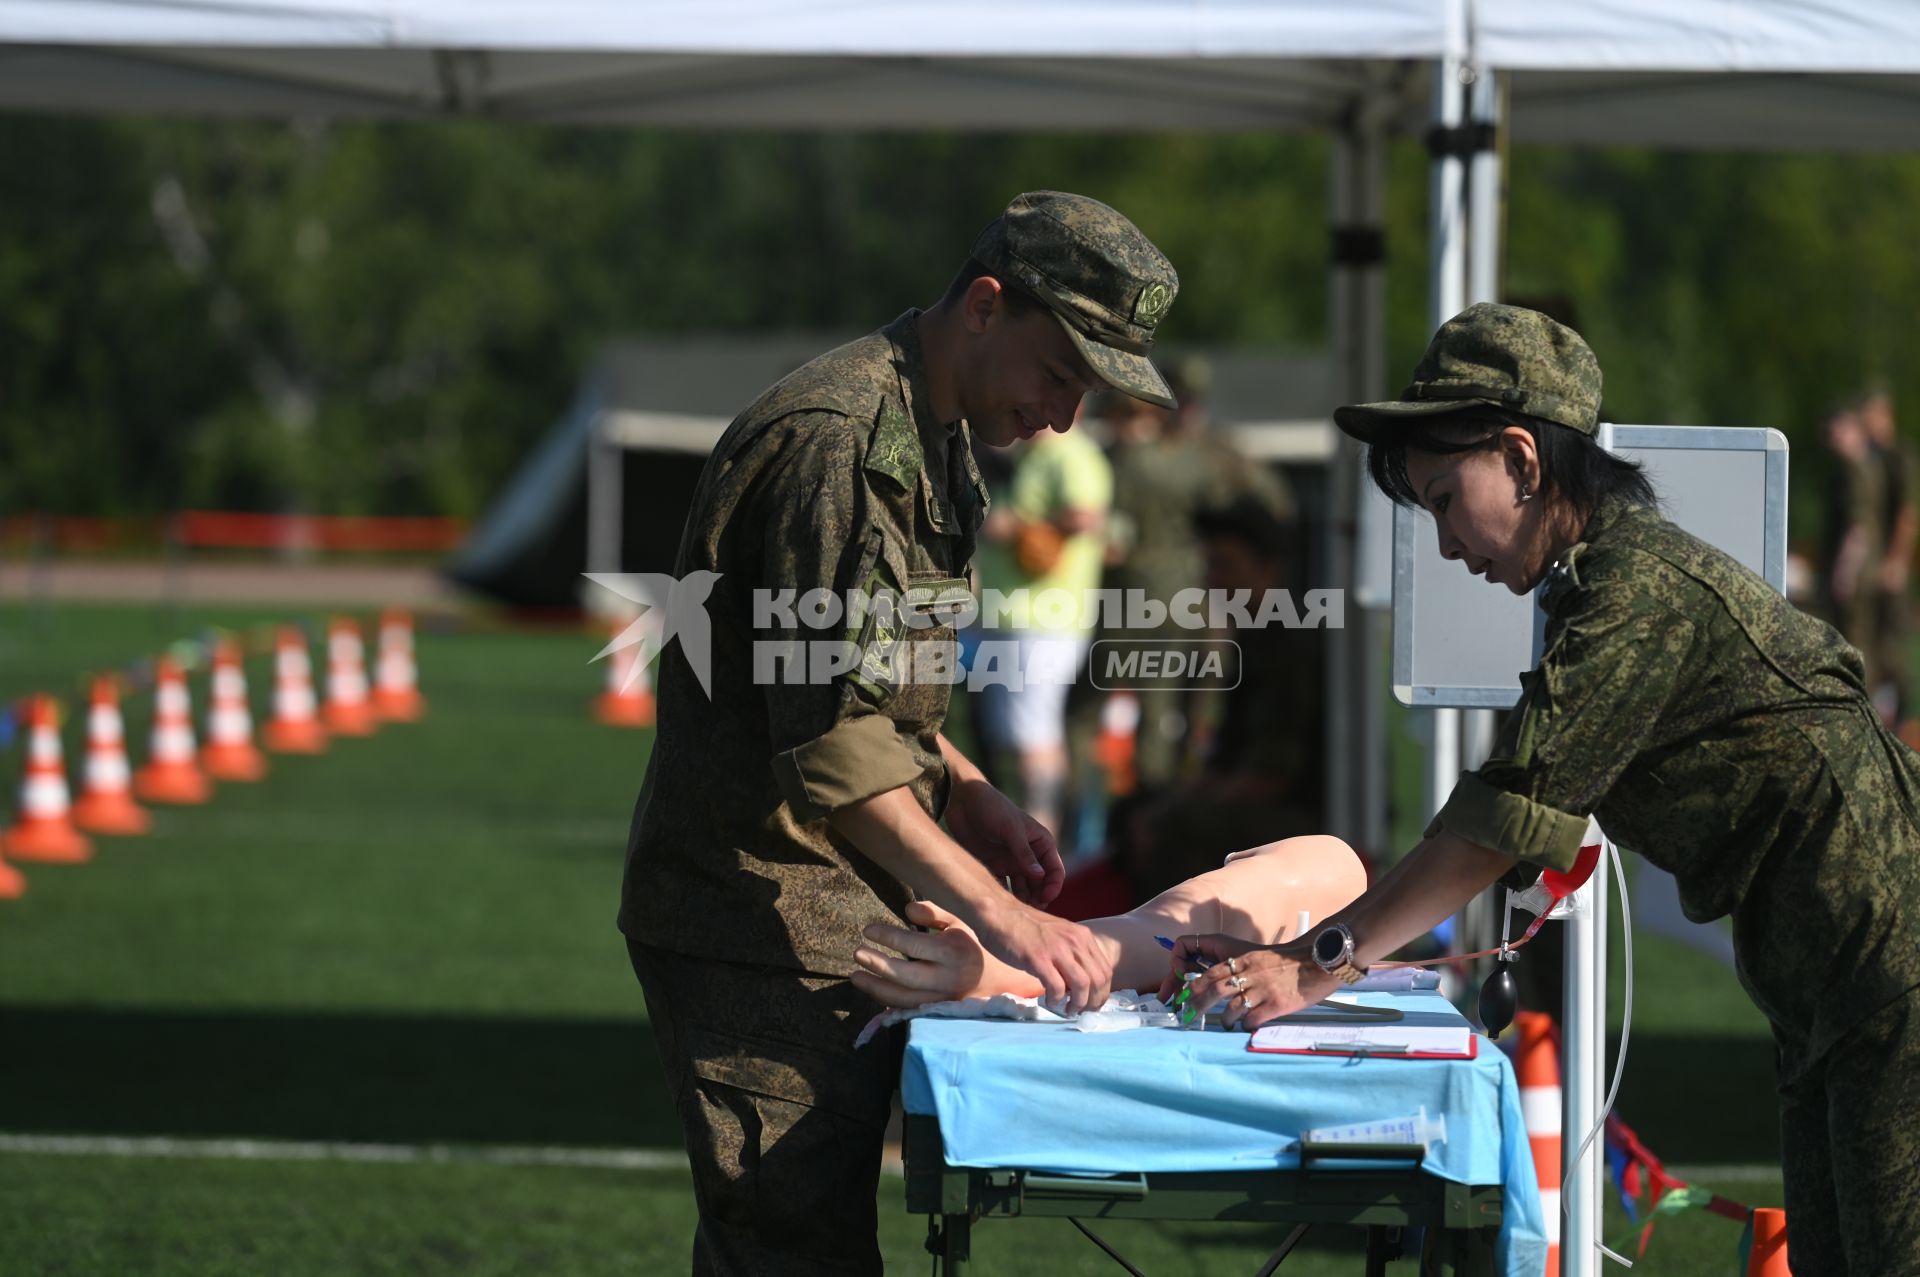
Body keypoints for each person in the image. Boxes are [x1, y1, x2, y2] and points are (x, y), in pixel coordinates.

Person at [1165, 303, 1920, 1277]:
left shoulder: (1635, 594)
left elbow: (1492, 824)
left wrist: (1314, 966)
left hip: (1888, 977)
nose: (1443, 543)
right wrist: (1305, 954)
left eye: (1444, 497)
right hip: (1836, 983)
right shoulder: (1605, 585)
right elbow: (1498, 807)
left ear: (1522, 459)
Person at [618, 190, 1178, 1275]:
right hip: (763, 919)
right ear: (984, 306)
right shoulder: (840, 443)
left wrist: (966, 783)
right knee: (794, 1248)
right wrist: (1004, 915)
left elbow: (873, 681)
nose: (1064, 417)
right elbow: (830, 741)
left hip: (833, 907)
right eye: (1060, 374)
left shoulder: (934, 429)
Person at [851, 834, 1367, 1008]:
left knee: (1336, 868)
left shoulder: (1334, 870)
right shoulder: (1332, 870)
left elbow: (1150, 937)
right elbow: (1154, 935)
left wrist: (995, 971)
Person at [970, 401, 1113, 837]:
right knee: (1013, 738)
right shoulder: (1033, 454)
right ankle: (1026, 836)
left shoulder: (1072, 453)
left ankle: (1043, 837)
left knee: (1036, 738)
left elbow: (1086, 515)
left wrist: (1018, 527)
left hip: (1044, 623)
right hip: (1011, 621)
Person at [1862, 386, 1918, 729]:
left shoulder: (1899, 459)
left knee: (1893, 647)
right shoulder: (1869, 459)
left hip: (1889, 565)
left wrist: (1897, 561)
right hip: (1870, 565)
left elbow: (1908, 515)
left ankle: (1905, 719)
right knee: (1870, 640)